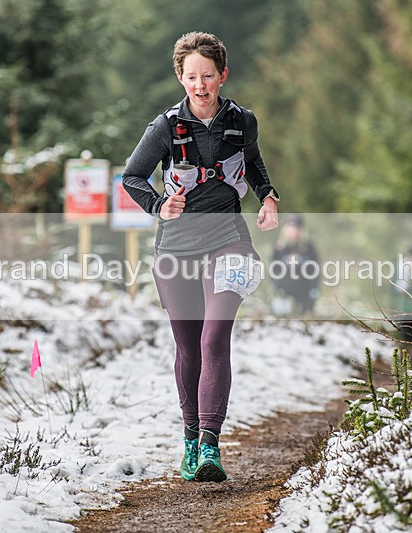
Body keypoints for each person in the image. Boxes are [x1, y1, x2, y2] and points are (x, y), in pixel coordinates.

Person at [122, 32, 280, 483]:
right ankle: (190, 439)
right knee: (188, 347)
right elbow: (132, 177)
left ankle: (210, 444)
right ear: (180, 77)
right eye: (191, 77)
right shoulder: (165, 128)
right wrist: (157, 205)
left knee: (214, 338)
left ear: (222, 75)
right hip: (175, 247)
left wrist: (267, 196)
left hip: (229, 239)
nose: (200, 84)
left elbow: (253, 162)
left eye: (207, 76)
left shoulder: (241, 120)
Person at [271, 214, 320, 316]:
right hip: (284, 293)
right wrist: (276, 289)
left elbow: (316, 269)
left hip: (304, 293)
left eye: (295, 227)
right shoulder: (279, 246)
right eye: (290, 227)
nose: (292, 231)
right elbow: (273, 270)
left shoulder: (308, 246)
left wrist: (314, 290)